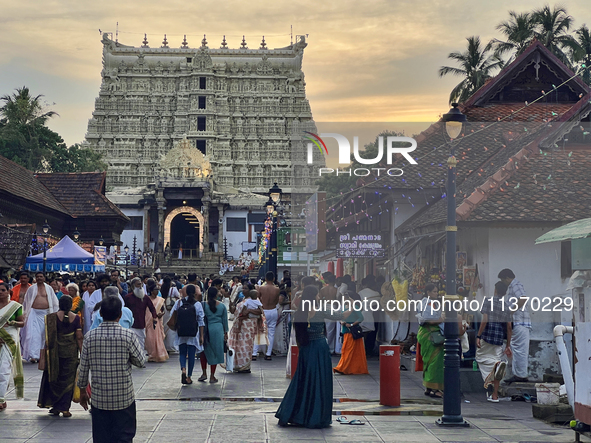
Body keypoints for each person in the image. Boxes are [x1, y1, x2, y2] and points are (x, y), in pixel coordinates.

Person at [275, 285, 353, 428]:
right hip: (319, 347)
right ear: (313, 296)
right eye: (317, 295)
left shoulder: (299, 313)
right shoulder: (320, 310)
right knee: (319, 380)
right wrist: (352, 306)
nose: (319, 297)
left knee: (302, 380)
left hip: (306, 348)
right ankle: (315, 415)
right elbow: (341, 315)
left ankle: (294, 413)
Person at [77, 296, 146, 443]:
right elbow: (141, 361)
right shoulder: (128, 335)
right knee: (124, 437)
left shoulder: (90, 337)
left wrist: (82, 391)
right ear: (120, 315)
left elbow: (83, 368)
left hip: (99, 399)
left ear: (100, 314)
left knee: (102, 438)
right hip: (124, 398)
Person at [37, 295, 83, 416]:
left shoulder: (52, 318)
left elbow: (47, 337)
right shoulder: (76, 318)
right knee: (68, 380)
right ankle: (65, 408)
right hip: (71, 353)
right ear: (71, 305)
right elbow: (79, 337)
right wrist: (82, 352)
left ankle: (55, 406)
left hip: (54, 353)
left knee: (54, 378)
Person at [476, 281, 513, 402]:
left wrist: (478, 335)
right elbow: (508, 327)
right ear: (505, 292)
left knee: (481, 358)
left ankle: (495, 367)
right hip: (498, 339)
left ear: (495, 290)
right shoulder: (506, 306)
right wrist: (508, 345)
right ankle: (495, 395)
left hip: (486, 336)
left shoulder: (488, 301)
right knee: (495, 361)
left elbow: (485, 319)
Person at [498, 268, 530, 383]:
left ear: (507, 278)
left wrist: (510, 312)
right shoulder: (512, 287)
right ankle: (518, 375)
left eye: (503, 280)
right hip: (516, 323)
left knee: (520, 351)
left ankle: (521, 376)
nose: (503, 283)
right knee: (516, 351)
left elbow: (523, 298)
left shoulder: (515, 285)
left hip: (520, 322)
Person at [21, 272, 59, 363]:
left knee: (43, 335)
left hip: (46, 313)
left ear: (44, 278)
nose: (39, 278)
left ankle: (42, 355)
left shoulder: (49, 288)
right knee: (32, 335)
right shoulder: (31, 289)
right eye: (37, 277)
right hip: (33, 313)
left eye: (41, 276)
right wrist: (25, 314)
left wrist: (54, 314)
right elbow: (27, 302)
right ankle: (33, 355)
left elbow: (54, 302)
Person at [170, 285, 205, 384]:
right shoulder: (197, 304)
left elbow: (173, 315)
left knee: (182, 353)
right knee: (191, 355)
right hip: (193, 333)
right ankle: (189, 376)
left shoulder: (179, 302)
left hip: (181, 332)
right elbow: (201, 321)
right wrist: (201, 335)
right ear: (195, 293)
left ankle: (183, 369)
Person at [228, 290, 267, 373]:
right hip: (241, 326)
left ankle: (245, 366)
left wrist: (249, 311)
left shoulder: (254, 301)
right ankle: (238, 365)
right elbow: (237, 311)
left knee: (247, 346)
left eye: (246, 288)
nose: (244, 290)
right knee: (239, 346)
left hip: (250, 327)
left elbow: (260, 311)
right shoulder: (242, 301)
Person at [416, 284, 444, 398]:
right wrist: (442, 319)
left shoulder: (424, 302)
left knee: (429, 361)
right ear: (428, 292)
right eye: (434, 291)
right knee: (435, 361)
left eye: (437, 292)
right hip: (430, 334)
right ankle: (434, 388)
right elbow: (429, 320)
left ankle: (429, 387)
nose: (436, 294)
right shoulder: (428, 303)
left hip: (426, 333)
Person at [0, 282, 24, 410]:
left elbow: (22, 322)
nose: (0, 292)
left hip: (9, 340)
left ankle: (1, 398)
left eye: (3, 290)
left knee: (4, 369)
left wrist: (14, 322)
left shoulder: (15, 307)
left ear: (9, 292)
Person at [333, 291, 368, 375]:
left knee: (348, 350)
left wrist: (351, 324)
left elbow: (361, 318)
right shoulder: (345, 307)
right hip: (346, 331)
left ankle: (343, 367)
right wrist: (342, 321)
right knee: (347, 350)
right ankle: (348, 368)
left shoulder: (355, 307)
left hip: (352, 331)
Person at [200, 287, 228, 383]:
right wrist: (226, 332)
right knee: (215, 352)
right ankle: (212, 376)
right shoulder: (222, 306)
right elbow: (225, 321)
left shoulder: (203, 305)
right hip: (218, 329)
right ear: (216, 295)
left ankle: (204, 373)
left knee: (204, 352)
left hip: (206, 329)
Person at [124, 277, 157, 354]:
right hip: (130, 325)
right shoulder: (128, 297)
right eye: (138, 285)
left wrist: (154, 317)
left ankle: (141, 359)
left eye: (141, 284)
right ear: (133, 286)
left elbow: (152, 308)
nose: (140, 286)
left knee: (141, 343)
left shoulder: (145, 298)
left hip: (141, 324)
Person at [253, 272, 280, 361]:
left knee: (259, 331)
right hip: (273, 310)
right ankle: (268, 353)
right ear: (273, 279)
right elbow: (276, 301)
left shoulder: (261, 288)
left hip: (263, 310)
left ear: (265, 278)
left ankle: (254, 353)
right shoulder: (277, 289)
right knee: (271, 333)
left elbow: (257, 299)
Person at [145, 281, 168, 362]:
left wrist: (160, 314)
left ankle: (159, 355)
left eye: (158, 289)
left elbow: (163, 310)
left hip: (157, 321)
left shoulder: (160, 300)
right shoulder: (147, 299)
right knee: (150, 339)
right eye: (155, 290)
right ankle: (151, 355)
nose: (157, 291)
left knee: (157, 338)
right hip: (148, 321)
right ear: (151, 291)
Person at [319, 273, 339, 354]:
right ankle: (330, 348)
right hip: (333, 307)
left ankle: (325, 346)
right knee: (331, 330)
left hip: (324, 307)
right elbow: (338, 300)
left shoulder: (323, 289)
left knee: (325, 329)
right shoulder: (336, 290)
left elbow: (320, 300)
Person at [161, 276, 180, 353]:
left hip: (163, 308)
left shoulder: (162, 289)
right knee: (171, 327)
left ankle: (164, 345)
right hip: (171, 308)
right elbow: (178, 297)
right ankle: (171, 346)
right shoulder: (173, 289)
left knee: (164, 326)